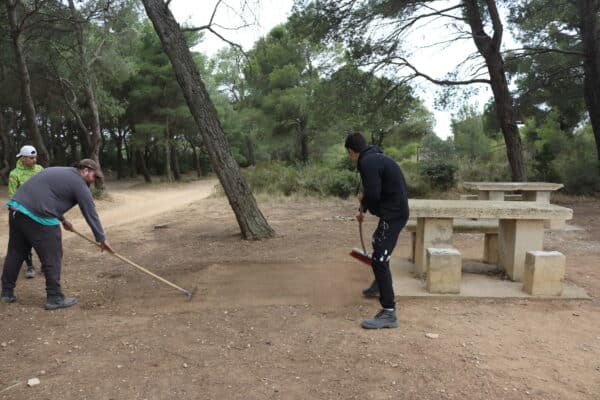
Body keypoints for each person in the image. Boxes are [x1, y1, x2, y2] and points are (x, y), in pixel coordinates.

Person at [0, 159, 114, 310]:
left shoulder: (59, 171)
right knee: (53, 255)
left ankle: (7, 293)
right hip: (38, 216)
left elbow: (49, 196)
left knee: (16, 252)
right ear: (85, 170)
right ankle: (54, 297)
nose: (93, 181)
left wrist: (63, 219)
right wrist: (101, 238)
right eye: (94, 176)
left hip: (17, 211)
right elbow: (90, 212)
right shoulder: (79, 182)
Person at [345, 132, 409, 329]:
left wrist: (365, 204)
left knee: (380, 257)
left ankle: (388, 312)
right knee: (378, 246)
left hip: (394, 213)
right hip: (394, 210)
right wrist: (363, 208)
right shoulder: (376, 157)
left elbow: (372, 193)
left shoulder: (367, 162)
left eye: (349, 154)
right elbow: (373, 190)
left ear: (351, 151)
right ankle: (379, 285)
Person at [8, 145, 44, 279]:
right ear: (23, 158)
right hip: (22, 211)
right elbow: (12, 194)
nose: (34, 160)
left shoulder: (40, 169)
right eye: (31, 158)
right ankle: (30, 266)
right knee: (26, 240)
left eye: (35, 157)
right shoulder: (14, 174)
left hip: (39, 209)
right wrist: (17, 209)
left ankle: (46, 265)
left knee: (41, 238)